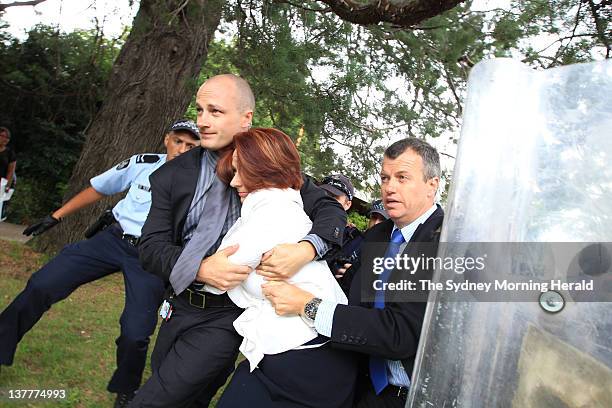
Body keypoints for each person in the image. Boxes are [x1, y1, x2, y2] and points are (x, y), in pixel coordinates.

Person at [131, 74, 346, 407]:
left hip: (226, 315)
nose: (202, 120)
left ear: (246, 118)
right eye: (200, 110)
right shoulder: (170, 175)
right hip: (180, 305)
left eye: (214, 112)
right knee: (182, 394)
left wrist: (306, 249)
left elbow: (331, 212)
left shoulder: (269, 166)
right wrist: (200, 268)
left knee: (157, 398)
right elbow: (150, 248)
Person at [0, 120, 200, 408]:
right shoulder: (142, 163)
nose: (182, 149)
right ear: (167, 139)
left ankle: (126, 390)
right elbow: (99, 188)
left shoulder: (203, 182)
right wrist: (56, 216)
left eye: (191, 145)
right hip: (112, 240)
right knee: (41, 284)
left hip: (152, 256)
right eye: (178, 141)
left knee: (135, 332)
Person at [263, 137, 444, 407]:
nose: (390, 188)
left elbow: (400, 335)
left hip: (414, 396)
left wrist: (308, 306)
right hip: (360, 384)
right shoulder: (378, 236)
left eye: (402, 177)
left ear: (432, 185)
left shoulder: (444, 243)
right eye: (385, 178)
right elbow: (349, 299)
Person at [209, 128, 357, 407]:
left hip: (305, 363)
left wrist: (307, 249)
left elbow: (219, 274)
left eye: (242, 171)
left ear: (264, 169)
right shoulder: (271, 204)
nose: (233, 182)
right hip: (295, 355)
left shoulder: (271, 206)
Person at [0, 127, 16, 219]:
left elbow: (11, 171)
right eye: (3, 136)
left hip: (1, 184)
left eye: (7, 138)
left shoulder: (10, 153)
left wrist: (7, 186)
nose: (5, 139)